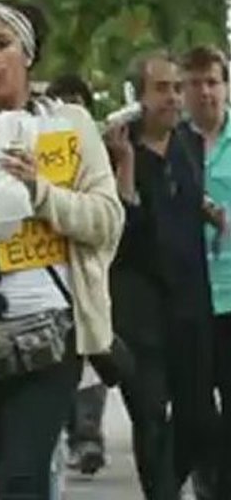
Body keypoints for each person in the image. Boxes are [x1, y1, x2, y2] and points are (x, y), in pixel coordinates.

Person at [0, 0, 123, 499]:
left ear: (27, 56)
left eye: (1, 43)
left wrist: (41, 192)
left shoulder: (70, 124)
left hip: (51, 328)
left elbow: (106, 220)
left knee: (21, 479)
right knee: (3, 472)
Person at [106, 49, 218, 499]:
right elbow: (120, 233)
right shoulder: (117, 151)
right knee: (150, 417)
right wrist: (126, 166)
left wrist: (210, 212)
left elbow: (183, 202)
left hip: (190, 302)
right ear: (138, 97)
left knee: (199, 420)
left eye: (176, 88)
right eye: (162, 89)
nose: (173, 98)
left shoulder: (188, 145)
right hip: (141, 311)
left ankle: (168, 485)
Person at [45, 73, 109, 476]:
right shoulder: (39, 148)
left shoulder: (101, 148)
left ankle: (87, 437)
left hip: (94, 272)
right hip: (49, 281)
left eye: (77, 102)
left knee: (91, 358)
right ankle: (69, 433)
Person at [182, 45, 231, 497]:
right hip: (190, 300)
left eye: (212, 82)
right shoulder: (172, 143)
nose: (204, 92)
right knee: (198, 412)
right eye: (194, 83)